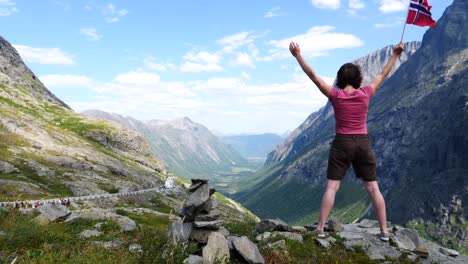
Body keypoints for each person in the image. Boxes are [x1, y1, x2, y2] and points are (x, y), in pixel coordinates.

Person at [289, 41, 404, 241]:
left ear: (339, 80)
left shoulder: (335, 95)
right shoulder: (366, 93)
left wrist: (298, 55)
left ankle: (321, 228)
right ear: (358, 79)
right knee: (373, 188)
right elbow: (383, 74)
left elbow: (313, 76)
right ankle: (384, 231)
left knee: (332, 187)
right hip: (362, 143)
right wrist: (395, 54)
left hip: (341, 143)